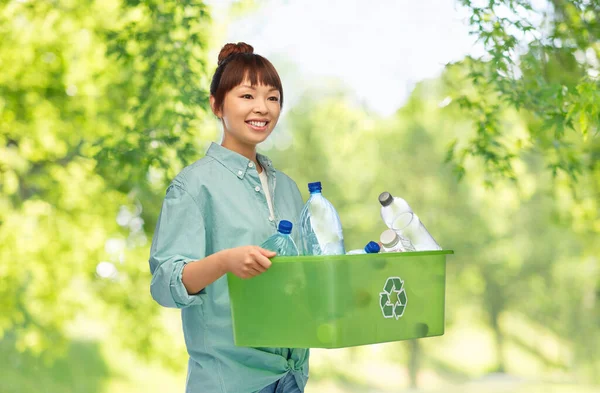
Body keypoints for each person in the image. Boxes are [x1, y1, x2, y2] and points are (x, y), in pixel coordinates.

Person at [149, 42, 309, 393]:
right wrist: (225, 261)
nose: (262, 108)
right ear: (216, 105)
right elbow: (165, 282)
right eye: (247, 96)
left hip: (290, 379)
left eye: (272, 98)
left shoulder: (288, 189)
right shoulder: (194, 185)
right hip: (229, 382)